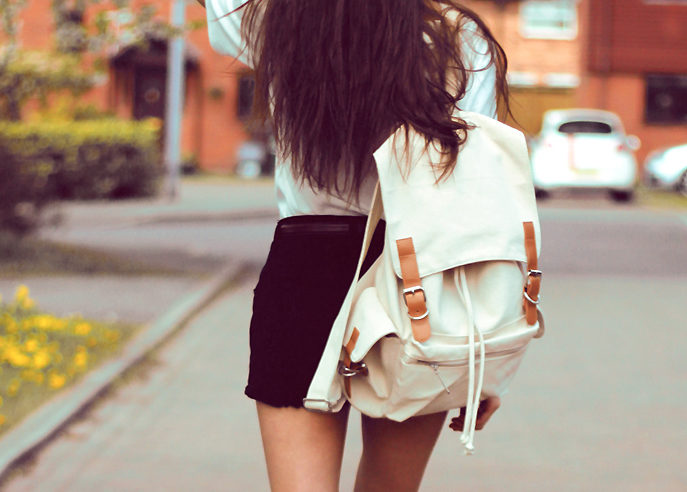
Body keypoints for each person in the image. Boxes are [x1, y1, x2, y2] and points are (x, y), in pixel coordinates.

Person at [198, 1, 509, 490]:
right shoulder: (461, 40)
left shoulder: (279, 20)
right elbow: (470, 196)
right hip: (417, 275)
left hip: (305, 268)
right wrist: (477, 353)